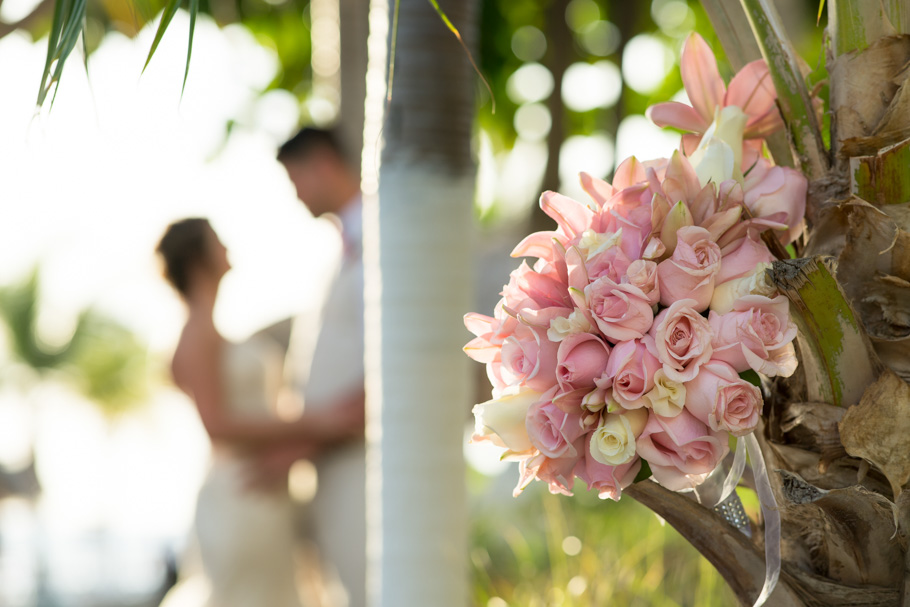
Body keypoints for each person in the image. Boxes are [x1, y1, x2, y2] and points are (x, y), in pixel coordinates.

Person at [156, 217, 362, 607]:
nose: (227, 248)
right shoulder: (196, 331)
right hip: (242, 490)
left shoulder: (210, 330)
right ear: (199, 257)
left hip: (263, 491)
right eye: (217, 241)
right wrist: (318, 423)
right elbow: (217, 425)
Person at [277, 128, 367, 607]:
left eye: (296, 180)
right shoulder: (344, 246)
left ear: (323, 164)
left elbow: (390, 370)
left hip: (364, 469)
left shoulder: (379, 238)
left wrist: (298, 443)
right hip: (333, 467)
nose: (296, 195)